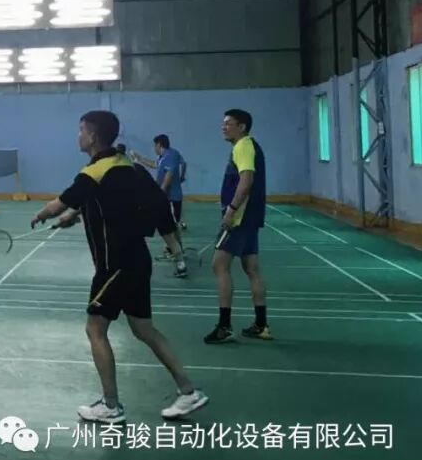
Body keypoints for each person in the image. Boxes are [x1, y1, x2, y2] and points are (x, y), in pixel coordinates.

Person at [32, 112, 207, 423]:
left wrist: (42, 215)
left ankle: (110, 406)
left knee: (95, 329)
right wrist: (73, 217)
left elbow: (61, 201)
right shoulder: (126, 165)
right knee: (143, 329)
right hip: (137, 260)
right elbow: (112, 199)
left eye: (81, 130)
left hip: (114, 266)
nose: (78, 135)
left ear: (93, 136)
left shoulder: (94, 171)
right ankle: (189, 391)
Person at [205, 109, 270, 343]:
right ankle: (261, 325)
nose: (223, 127)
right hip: (251, 218)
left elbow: (246, 180)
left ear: (241, 127)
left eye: (228, 123)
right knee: (252, 268)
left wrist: (231, 210)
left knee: (219, 265)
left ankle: (224, 327)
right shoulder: (252, 146)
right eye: (223, 123)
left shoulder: (243, 146)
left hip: (240, 218)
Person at [118, 144, 187, 278]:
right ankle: (181, 265)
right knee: (170, 236)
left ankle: (133, 266)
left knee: (135, 236)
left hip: (148, 207)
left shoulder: (122, 173)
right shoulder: (137, 167)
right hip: (162, 200)